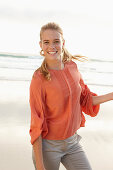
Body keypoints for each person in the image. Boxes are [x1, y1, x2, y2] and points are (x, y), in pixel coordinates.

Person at [29, 22, 113, 170]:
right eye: (46, 42)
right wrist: (40, 166)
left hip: (72, 143)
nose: (52, 46)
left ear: (63, 43)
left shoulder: (72, 67)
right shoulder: (39, 78)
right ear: (41, 45)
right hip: (48, 147)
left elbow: (85, 100)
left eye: (56, 41)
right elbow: (36, 122)